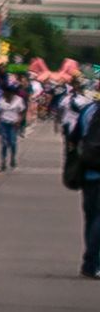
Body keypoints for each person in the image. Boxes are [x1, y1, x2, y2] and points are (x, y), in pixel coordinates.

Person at [65, 90, 100, 280]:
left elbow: (73, 138)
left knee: (91, 217)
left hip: (88, 171)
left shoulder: (88, 110)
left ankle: (90, 262)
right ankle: (92, 262)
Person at [0, 82, 26, 171]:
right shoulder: (1, 100)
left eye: (6, 93)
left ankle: (13, 158)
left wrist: (19, 120)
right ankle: (3, 161)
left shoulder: (19, 100)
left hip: (13, 124)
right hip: (3, 123)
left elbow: (22, 112)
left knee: (12, 142)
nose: (5, 94)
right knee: (4, 143)